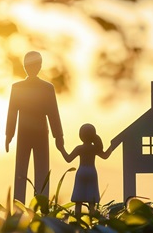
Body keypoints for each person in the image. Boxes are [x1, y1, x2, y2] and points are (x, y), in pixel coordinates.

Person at [6, 51, 64, 203]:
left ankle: (41, 207)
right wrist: (9, 134)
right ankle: (19, 207)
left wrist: (59, 136)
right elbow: (12, 112)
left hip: (40, 134)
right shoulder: (17, 88)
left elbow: (53, 113)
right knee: (21, 171)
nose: (31, 68)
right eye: (28, 65)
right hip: (24, 133)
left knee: (42, 171)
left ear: (40, 66)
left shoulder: (47, 88)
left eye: (34, 65)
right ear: (24, 66)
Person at [58, 123, 113, 216]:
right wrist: (112, 145)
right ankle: (91, 217)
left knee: (78, 200)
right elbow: (105, 155)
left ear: (81, 135)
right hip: (92, 172)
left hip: (82, 171)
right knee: (91, 201)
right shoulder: (95, 148)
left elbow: (68, 158)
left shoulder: (80, 148)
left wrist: (61, 148)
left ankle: (77, 218)